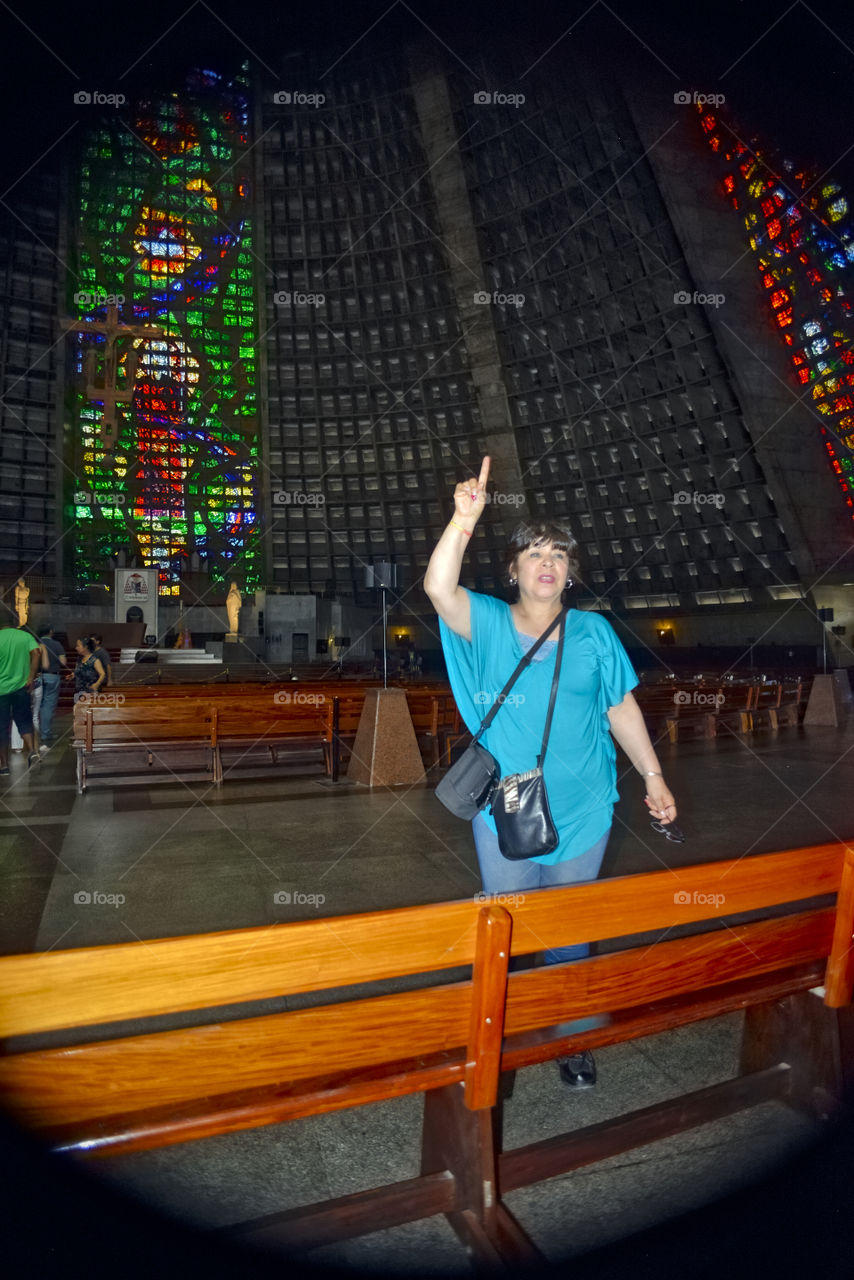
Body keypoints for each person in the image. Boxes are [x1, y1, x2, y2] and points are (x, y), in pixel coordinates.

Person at [425, 457, 677, 1088]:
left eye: (558, 555)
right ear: (513, 570)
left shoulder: (593, 632)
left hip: (587, 806)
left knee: (568, 933)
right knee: (503, 929)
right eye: (534, 553)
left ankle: (570, 1040)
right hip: (506, 808)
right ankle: (495, 1047)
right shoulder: (485, 622)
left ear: (569, 572)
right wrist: (462, 522)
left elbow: (620, 708)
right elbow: (438, 589)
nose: (547, 563)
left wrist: (652, 777)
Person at [0, 617, 42, 774]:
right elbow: (36, 653)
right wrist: (30, 677)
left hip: (1, 691)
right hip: (22, 688)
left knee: (2, 727)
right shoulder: (25, 636)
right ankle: (32, 751)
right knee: (24, 720)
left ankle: (3, 765)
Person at [38, 625, 67, 743]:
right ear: (51, 632)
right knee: (48, 705)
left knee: (37, 705)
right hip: (52, 675)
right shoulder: (56, 644)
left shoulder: (35, 643)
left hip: (37, 676)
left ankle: (35, 733)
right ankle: (45, 733)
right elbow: (63, 662)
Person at [72, 637, 106, 703]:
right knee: (79, 711)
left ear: (86, 647)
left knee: (88, 711)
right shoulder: (79, 660)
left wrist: (97, 684)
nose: (76, 648)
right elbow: (78, 672)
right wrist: (73, 675)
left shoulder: (95, 660)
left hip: (90, 692)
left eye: (78, 646)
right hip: (79, 692)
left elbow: (102, 674)